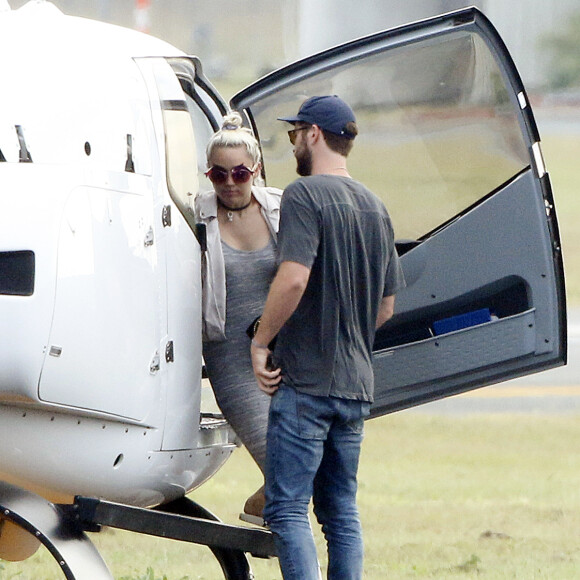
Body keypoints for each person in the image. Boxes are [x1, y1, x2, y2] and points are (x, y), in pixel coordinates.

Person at [250, 95, 405, 579]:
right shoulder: (376, 206)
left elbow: (294, 278)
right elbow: (386, 306)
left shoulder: (305, 195)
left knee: (288, 508)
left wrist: (261, 342)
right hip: (356, 387)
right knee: (340, 511)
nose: (293, 142)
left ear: (313, 133)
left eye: (295, 133)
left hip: (306, 384)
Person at [195, 111, 282, 523]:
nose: (230, 183)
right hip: (231, 357)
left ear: (257, 171)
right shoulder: (195, 219)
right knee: (282, 464)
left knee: (304, 463)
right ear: (208, 174)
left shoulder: (281, 209)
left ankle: (265, 514)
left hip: (284, 353)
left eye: (241, 173)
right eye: (219, 174)